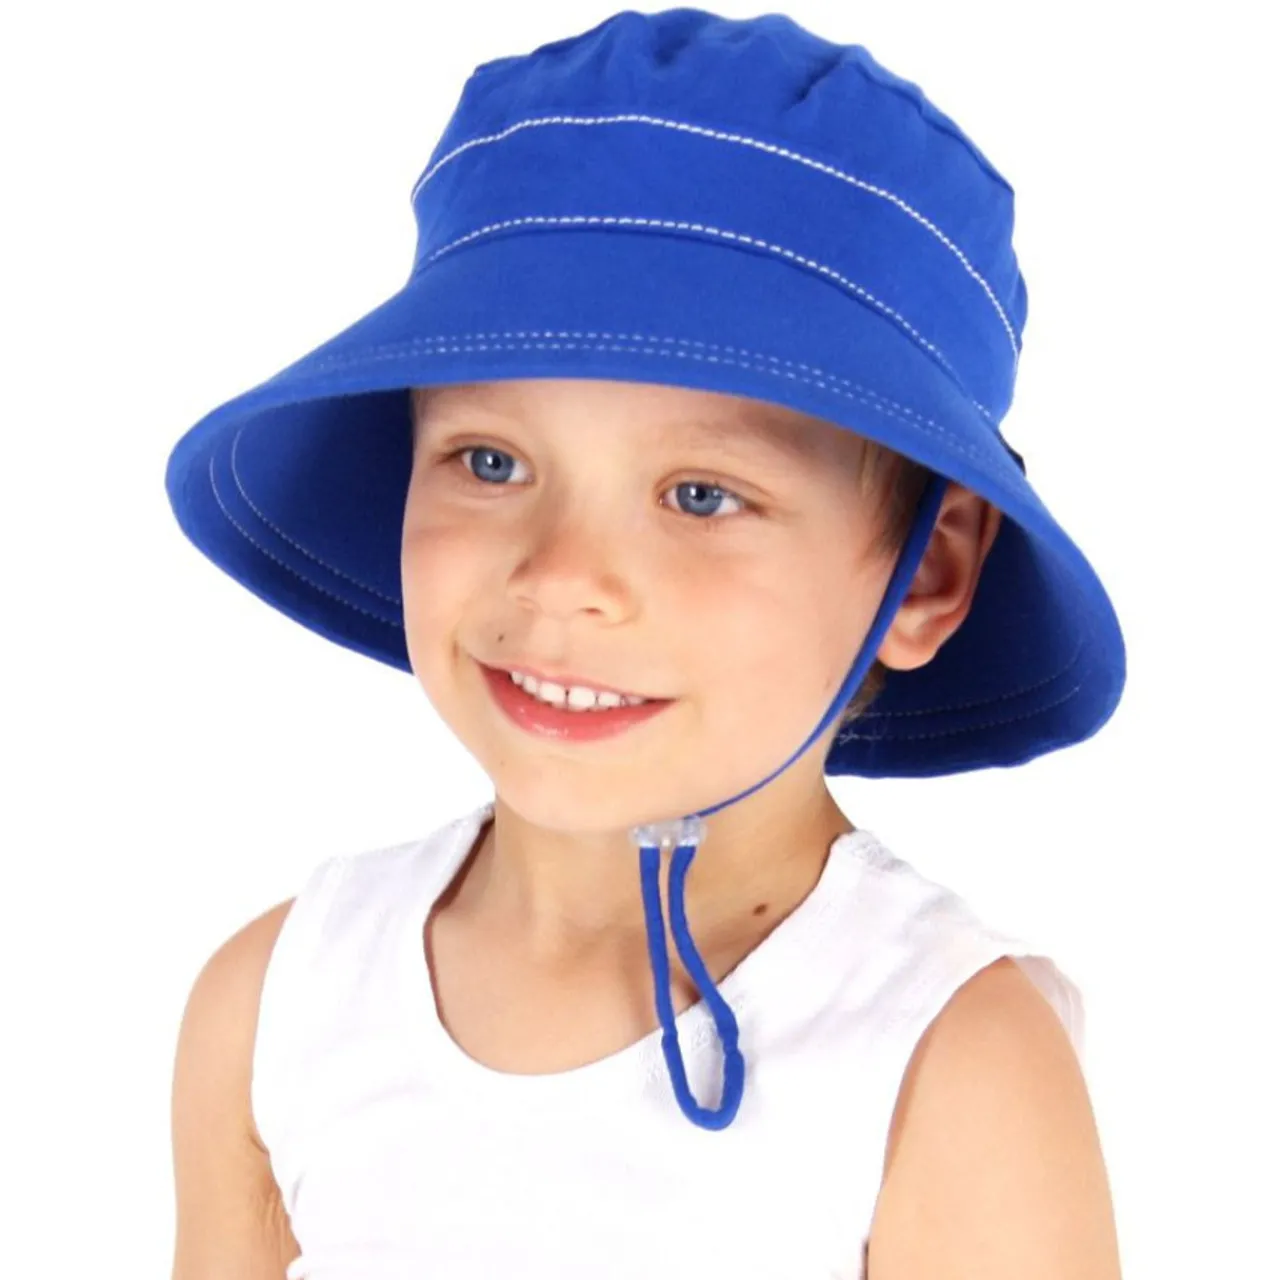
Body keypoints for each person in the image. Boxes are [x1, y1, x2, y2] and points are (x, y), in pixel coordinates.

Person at [166, 9, 1126, 1278]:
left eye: (700, 494)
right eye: (490, 461)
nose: (562, 578)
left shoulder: (942, 1064)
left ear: (927, 570)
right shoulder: (278, 1004)